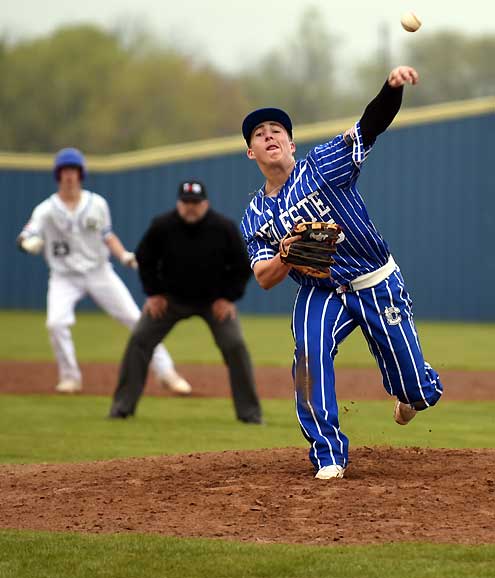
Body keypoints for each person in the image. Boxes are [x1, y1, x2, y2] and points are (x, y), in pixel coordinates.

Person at [240, 66, 443, 479]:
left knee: (418, 391)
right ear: (251, 152)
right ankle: (328, 455)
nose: (269, 136)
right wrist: (288, 255)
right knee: (308, 356)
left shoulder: (321, 166)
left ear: (291, 143)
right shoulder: (255, 215)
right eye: (259, 134)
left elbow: (370, 126)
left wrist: (391, 89)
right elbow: (264, 277)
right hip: (320, 290)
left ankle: (413, 395)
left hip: (376, 280)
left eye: (276, 129)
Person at [17, 147, 190, 395]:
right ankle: (70, 378)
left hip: (99, 272)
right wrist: (27, 243)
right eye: (65, 171)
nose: (69, 176)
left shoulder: (96, 203)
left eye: (73, 171)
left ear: (80, 174)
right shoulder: (46, 210)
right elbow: (25, 234)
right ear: (58, 175)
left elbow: (107, 236)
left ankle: (167, 373)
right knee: (55, 323)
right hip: (64, 277)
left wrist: (124, 256)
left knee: (136, 318)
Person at [109, 179, 263, 423]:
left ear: (206, 203)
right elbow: (145, 260)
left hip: (214, 302)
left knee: (235, 345)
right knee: (140, 339)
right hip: (170, 300)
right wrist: (154, 294)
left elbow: (242, 267)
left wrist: (227, 298)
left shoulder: (223, 227)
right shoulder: (162, 226)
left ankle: (250, 414)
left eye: (196, 202)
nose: (191, 207)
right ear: (179, 203)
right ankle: (121, 407)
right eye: (186, 202)